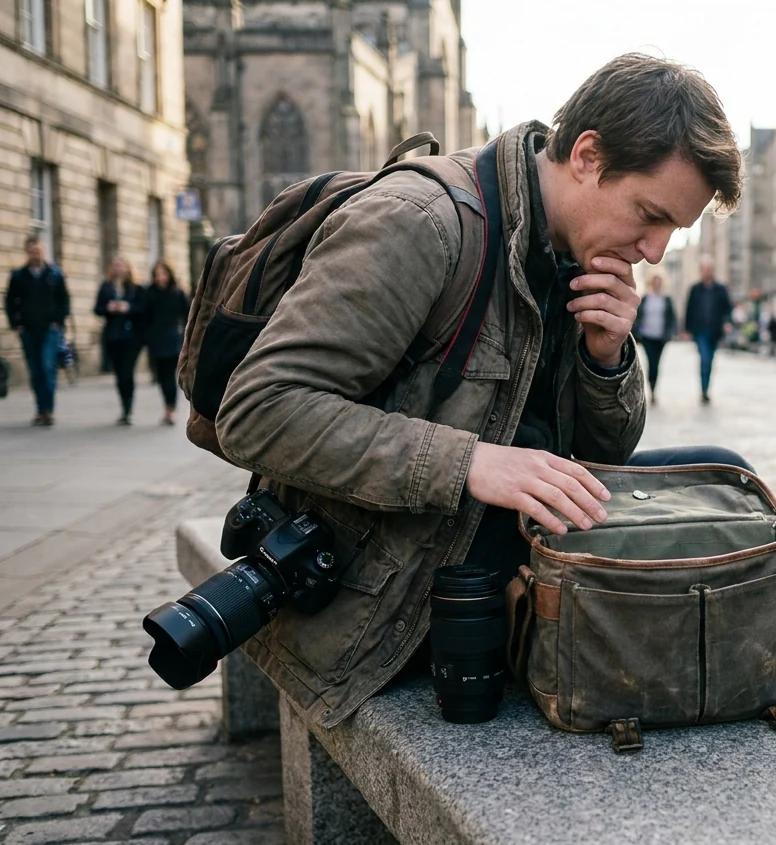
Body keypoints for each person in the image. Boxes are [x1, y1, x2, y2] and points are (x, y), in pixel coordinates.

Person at [213, 54, 746, 729]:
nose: (655, 250)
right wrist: (469, 461)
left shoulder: (570, 250)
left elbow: (597, 450)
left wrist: (605, 359)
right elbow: (259, 410)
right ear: (587, 155)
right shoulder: (420, 222)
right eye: (650, 214)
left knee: (730, 481)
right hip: (387, 605)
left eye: (675, 229)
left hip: (501, 560)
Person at [5, 235, 69, 426]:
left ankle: (48, 410)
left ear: (43, 250)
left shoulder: (55, 274)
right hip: (28, 328)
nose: (35, 254)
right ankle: (40, 409)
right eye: (32, 251)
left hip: (50, 329)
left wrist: (58, 321)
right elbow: (10, 301)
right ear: (27, 252)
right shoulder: (18, 276)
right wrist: (15, 322)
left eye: (38, 250)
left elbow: (64, 301)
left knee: (47, 365)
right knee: (35, 370)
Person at [94, 256, 148, 426]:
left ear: (128, 268)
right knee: (119, 373)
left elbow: (144, 310)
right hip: (113, 336)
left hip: (132, 337)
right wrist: (108, 309)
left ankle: (128, 407)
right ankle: (124, 407)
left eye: (122, 266)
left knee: (127, 371)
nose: (118, 269)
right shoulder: (106, 287)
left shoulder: (136, 288)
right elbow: (97, 309)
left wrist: (128, 308)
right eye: (115, 266)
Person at [145, 260, 190, 426]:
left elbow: (188, 314)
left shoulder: (177, 293)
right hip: (156, 340)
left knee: (170, 377)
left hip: (172, 339)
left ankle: (170, 410)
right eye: (157, 274)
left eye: (163, 274)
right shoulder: (149, 293)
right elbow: (144, 315)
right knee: (161, 376)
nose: (160, 278)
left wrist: (186, 335)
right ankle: (168, 407)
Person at [683, 255, 733, 403]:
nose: (707, 272)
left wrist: (727, 322)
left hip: (715, 331)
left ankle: (706, 388)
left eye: (709, 269)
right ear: (701, 271)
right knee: (704, 359)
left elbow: (728, 309)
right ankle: (704, 390)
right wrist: (687, 329)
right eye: (705, 269)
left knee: (709, 360)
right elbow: (689, 309)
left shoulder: (721, 289)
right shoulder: (695, 289)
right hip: (700, 331)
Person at [632, 273, 676, 404]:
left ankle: (653, 388)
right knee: (650, 362)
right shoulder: (645, 299)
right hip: (647, 336)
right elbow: (638, 316)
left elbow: (671, 318)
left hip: (660, 337)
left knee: (656, 363)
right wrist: (637, 331)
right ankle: (651, 388)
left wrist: (669, 333)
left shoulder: (666, 299)